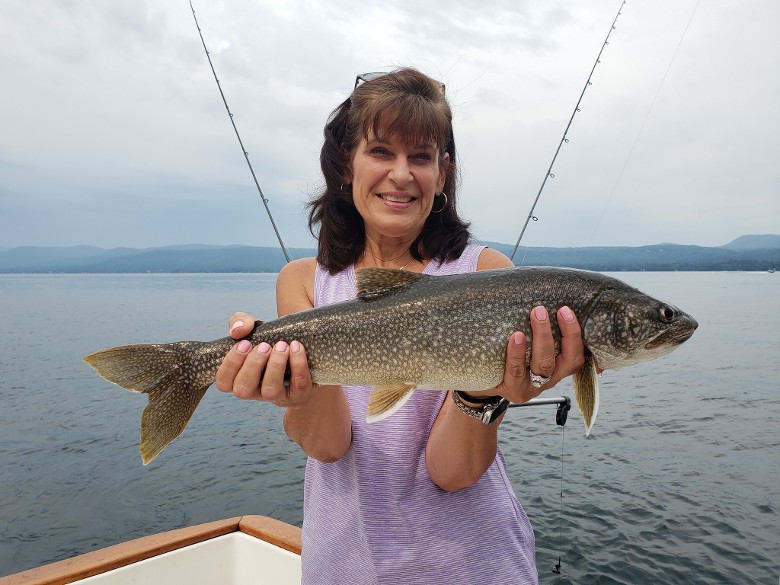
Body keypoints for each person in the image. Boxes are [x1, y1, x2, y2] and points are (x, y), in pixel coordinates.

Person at [215, 68, 585, 585]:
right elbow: (328, 445)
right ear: (347, 164)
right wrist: (292, 389)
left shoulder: (487, 275)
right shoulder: (302, 282)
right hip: (345, 562)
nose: (402, 174)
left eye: (421, 157)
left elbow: (452, 473)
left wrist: (483, 395)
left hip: (472, 564)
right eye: (382, 152)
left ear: (443, 171)